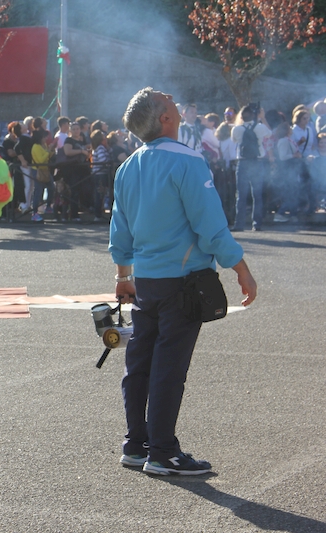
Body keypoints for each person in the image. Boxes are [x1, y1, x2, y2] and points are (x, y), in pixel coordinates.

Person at [110, 87, 257, 476]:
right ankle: (163, 452)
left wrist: (123, 275)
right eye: (169, 100)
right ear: (166, 119)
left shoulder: (128, 166)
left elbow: (119, 230)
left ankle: (136, 444)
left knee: (140, 362)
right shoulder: (189, 161)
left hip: (146, 279)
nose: (175, 101)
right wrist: (239, 266)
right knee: (168, 367)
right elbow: (210, 226)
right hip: (183, 279)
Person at [231, 104, 272, 231]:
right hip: (257, 162)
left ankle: (239, 224)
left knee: (241, 195)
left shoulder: (237, 129)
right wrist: (262, 118)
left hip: (243, 163)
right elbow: (269, 134)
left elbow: (234, 141)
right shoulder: (260, 127)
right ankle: (257, 224)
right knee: (257, 195)